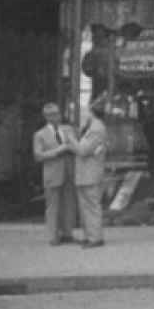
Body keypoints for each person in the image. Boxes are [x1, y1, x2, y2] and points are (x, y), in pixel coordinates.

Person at [33, 103, 78, 246]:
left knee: (69, 203)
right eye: (52, 115)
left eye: (57, 114)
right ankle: (53, 236)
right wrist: (58, 151)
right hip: (52, 173)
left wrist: (72, 146)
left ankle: (68, 233)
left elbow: (77, 145)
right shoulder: (40, 134)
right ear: (46, 117)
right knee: (52, 206)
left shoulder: (68, 129)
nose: (56, 117)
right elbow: (38, 156)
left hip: (69, 171)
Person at [69, 101, 108, 248]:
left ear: (92, 112)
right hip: (85, 174)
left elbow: (83, 150)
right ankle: (89, 235)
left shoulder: (96, 129)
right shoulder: (91, 127)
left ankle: (95, 238)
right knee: (84, 207)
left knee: (91, 206)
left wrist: (70, 140)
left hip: (90, 174)